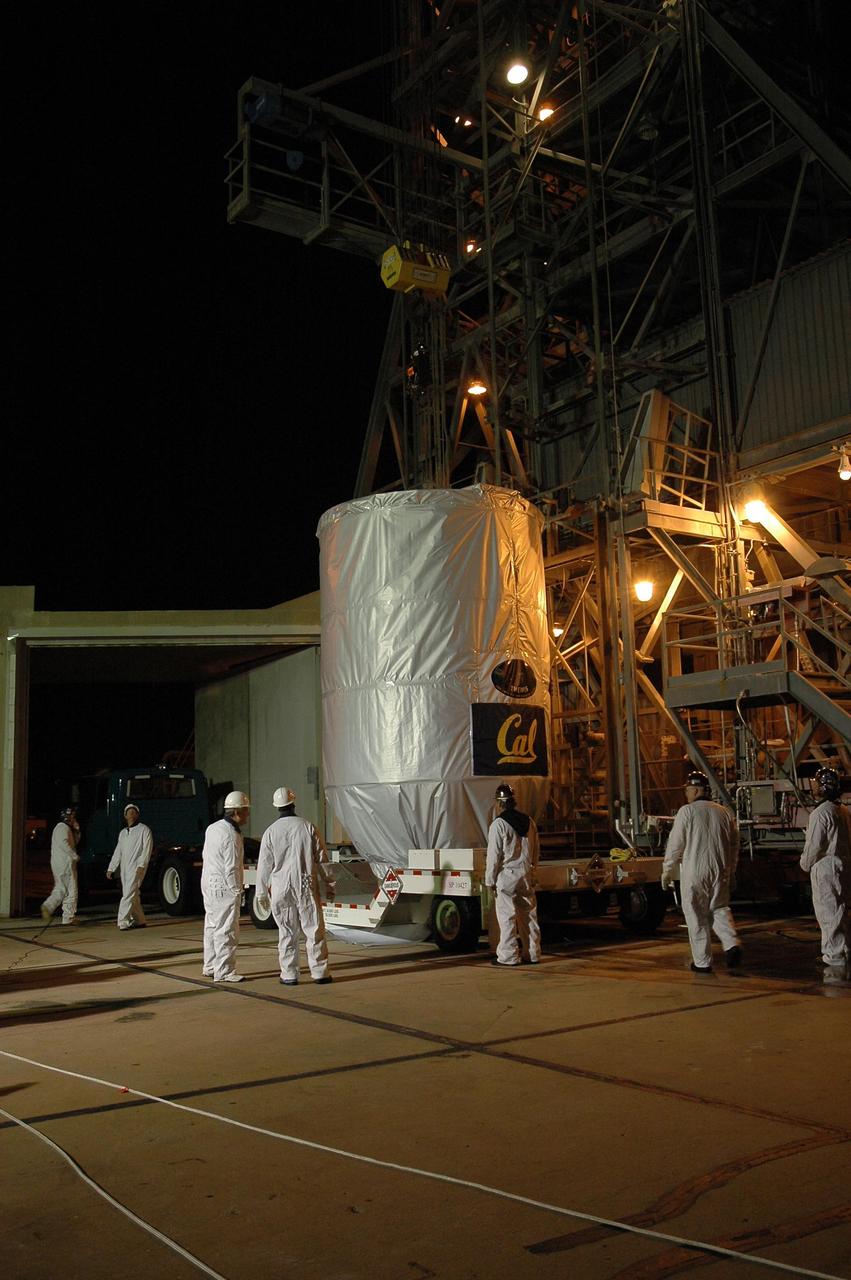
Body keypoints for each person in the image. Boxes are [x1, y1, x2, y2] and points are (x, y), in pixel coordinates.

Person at [661, 770, 742, 973]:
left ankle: (703, 962)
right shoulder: (724, 812)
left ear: (695, 789)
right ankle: (731, 943)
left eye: (687, 789)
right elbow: (734, 845)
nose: (686, 794)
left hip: (695, 871)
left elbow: (675, 845)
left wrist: (667, 870)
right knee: (720, 908)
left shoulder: (686, 812)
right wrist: (731, 872)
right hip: (720, 869)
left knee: (696, 914)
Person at [254, 786, 336, 986]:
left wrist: (261, 892)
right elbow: (322, 859)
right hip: (305, 883)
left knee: (287, 931)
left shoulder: (270, 832)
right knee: (314, 929)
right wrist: (330, 884)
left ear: (277, 807)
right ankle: (320, 973)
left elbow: (264, 865)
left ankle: (289, 974)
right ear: (293, 803)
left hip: (281, 886)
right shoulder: (308, 826)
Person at [485, 782, 541, 967]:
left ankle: (508, 956)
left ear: (500, 803)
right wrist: (532, 871)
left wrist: (490, 880)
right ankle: (532, 953)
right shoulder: (529, 822)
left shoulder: (498, 825)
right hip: (525, 874)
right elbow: (535, 851)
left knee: (507, 916)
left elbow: (494, 856)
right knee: (529, 916)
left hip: (507, 877)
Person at [800, 767, 851, 968]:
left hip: (826, 869)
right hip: (843, 865)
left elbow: (814, 847)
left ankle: (834, 957)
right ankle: (845, 950)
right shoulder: (843, 811)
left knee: (828, 913)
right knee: (841, 912)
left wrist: (804, 864)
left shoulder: (820, 814)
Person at [201, 790, 250, 983]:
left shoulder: (213, 828)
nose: (248, 814)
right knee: (227, 929)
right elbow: (231, 867)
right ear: (237, 811)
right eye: (246, 810)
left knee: (212, 926)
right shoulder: (232, 835)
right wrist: (237, 890)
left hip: (209, 883)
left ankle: (210, 965)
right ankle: (225, 971)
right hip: (224, 887)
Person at [106, 803, 153, 930]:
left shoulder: (144, 830)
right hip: (125, 868)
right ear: (125, 816)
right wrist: (111, 868)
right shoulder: (122, 833)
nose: (131, 814)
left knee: (128, 894)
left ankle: (123, 921)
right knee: (133, 894)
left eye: (133, 812)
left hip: (137, 867)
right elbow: (118, 852)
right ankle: (140, 920)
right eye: (129, 812)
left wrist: (142, 864)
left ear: (137, 815)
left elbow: (147, 849)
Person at [41, 806, 81, 925]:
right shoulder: (61, 827)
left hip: (63, 863)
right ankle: (49, 907)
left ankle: (68, 917)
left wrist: (77, 830)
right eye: (72, 816)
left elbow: (74, 842)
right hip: (65, 863)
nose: (74, 818)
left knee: (64, 889)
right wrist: (73, 855)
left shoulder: (64, 828)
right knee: (69, 890)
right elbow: (65, 843)